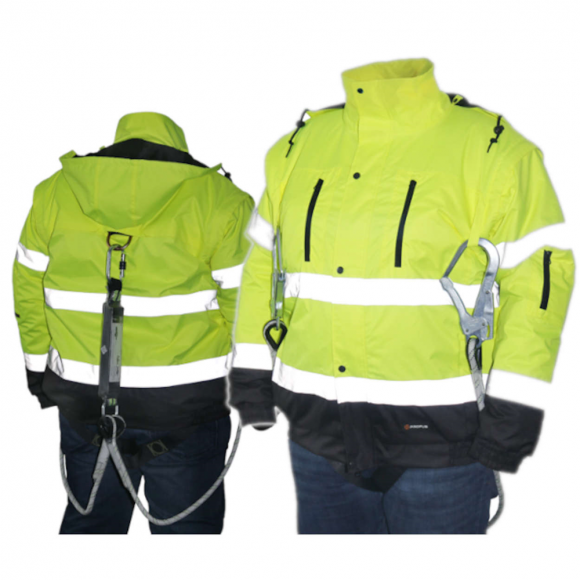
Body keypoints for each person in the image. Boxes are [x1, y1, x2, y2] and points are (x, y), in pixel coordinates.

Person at [229, 58, 574, 534]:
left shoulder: (492, 150)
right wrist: (251, 384)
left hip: (442, 445)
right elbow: (264, 270)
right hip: (318, 437)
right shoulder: (298, 148)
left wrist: (510, 419)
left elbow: (539, 285)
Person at [13, 112, 254, 534]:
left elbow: (28, 288)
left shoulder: (56, 192)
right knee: (187, 539)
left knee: (91, 530)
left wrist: (38, 373)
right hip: (187, 406)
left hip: (84, 401)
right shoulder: (221, 200)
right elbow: (247, 305)